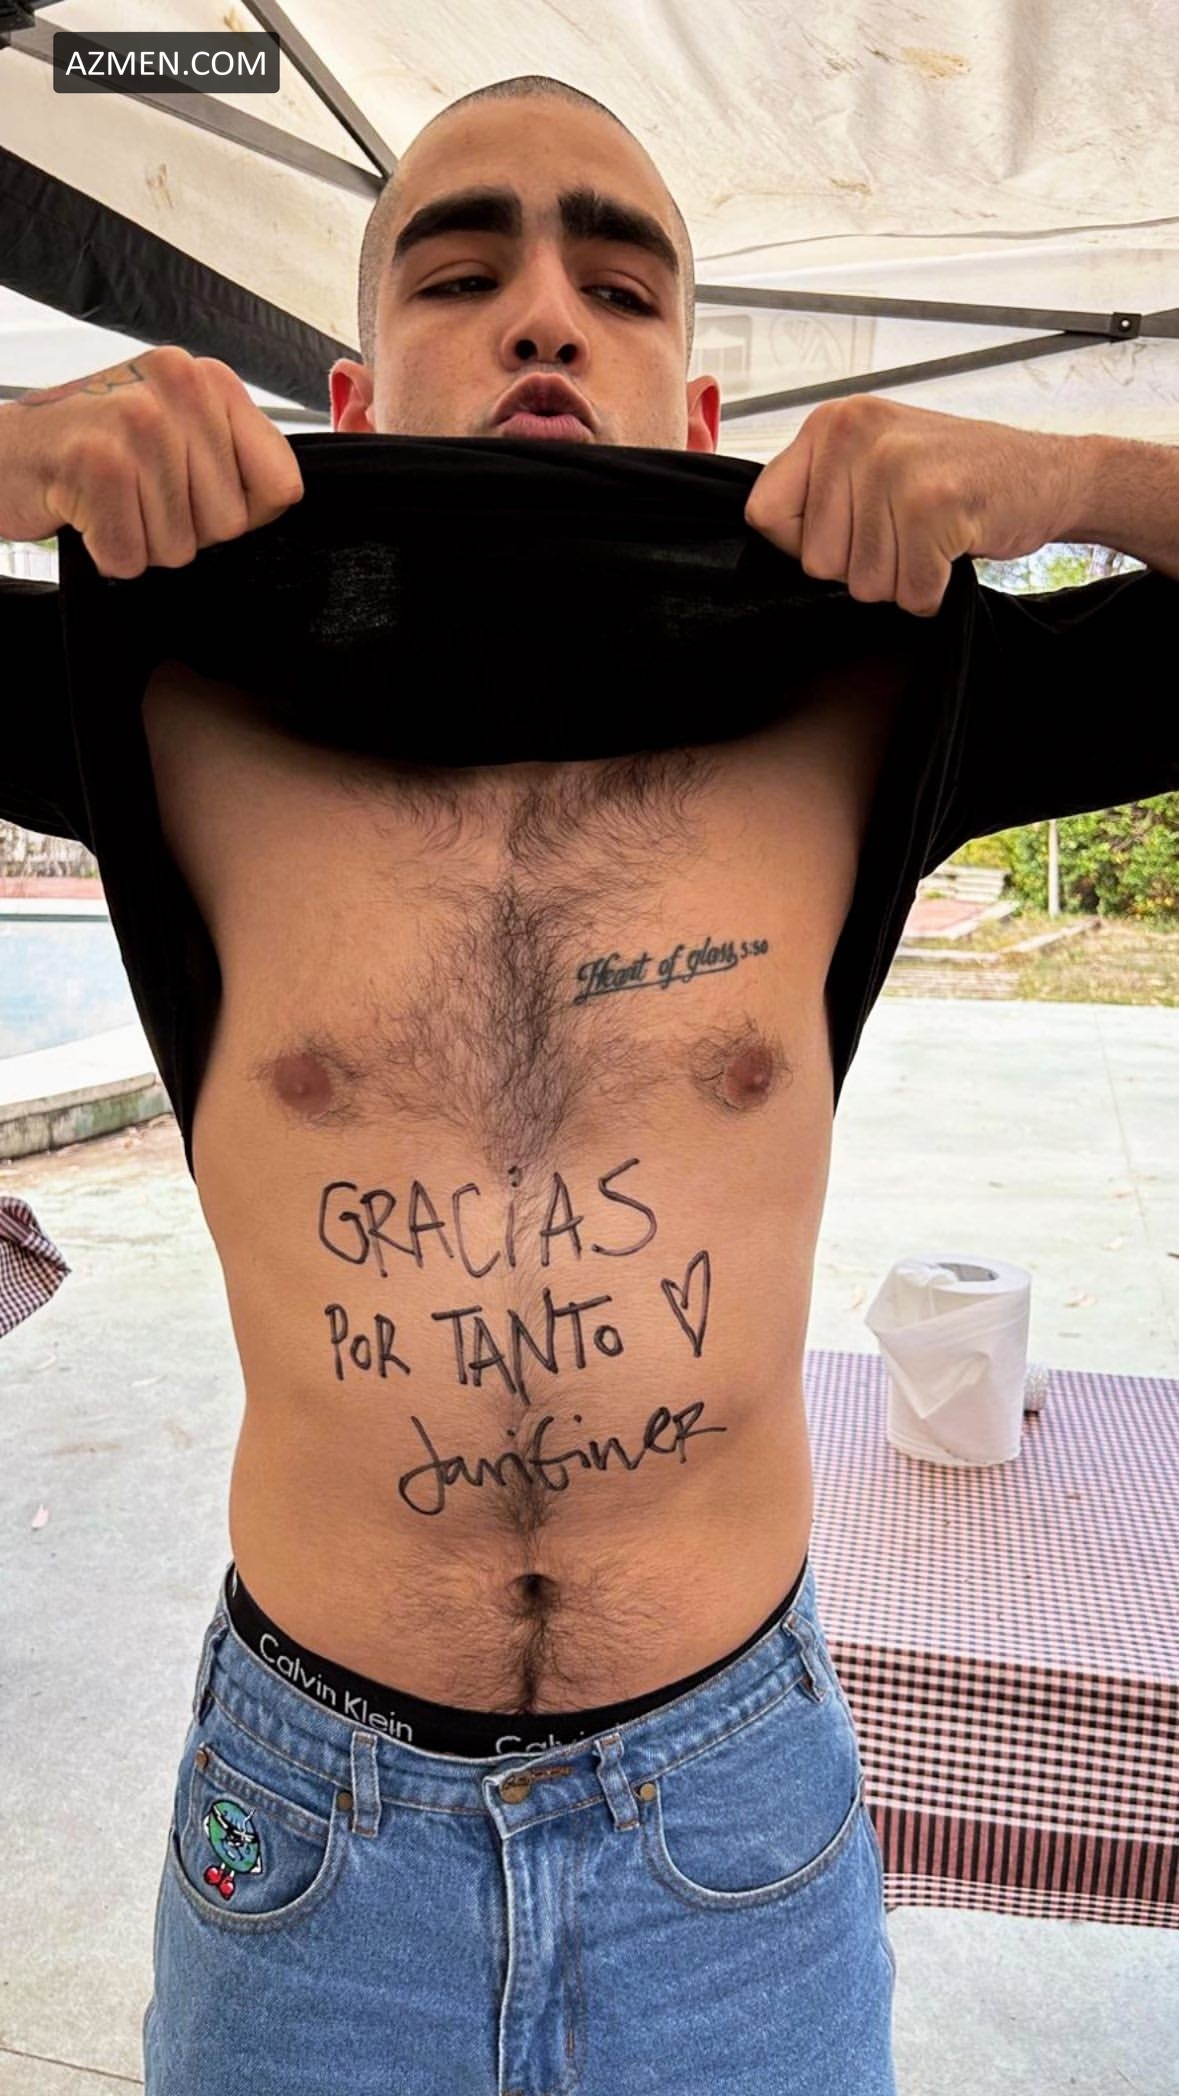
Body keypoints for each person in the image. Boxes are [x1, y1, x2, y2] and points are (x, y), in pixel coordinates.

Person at [2, 72, 1177, 2096]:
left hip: (726, 1821)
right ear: (354, 393)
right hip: (317, 1828)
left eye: (620, 289)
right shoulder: (166, 669)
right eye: (461, 272)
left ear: (699, 413)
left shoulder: (869, 669)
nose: (545, 314)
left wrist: (1073, 473)